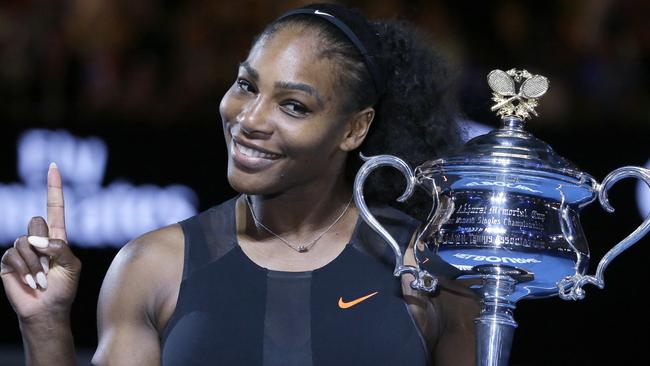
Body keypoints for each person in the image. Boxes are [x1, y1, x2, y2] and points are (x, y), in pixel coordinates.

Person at [1, 3, 478, 365]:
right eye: (247, 85)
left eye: (293, 105)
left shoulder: (426, 270)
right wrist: (44, 325)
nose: (249, 119)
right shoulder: (151, 267)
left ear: (355, 129)